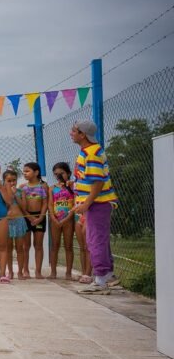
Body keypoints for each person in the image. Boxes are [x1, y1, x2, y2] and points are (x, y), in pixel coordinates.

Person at [71, 120, 119, 293]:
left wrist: (86, 204)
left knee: (95, 240)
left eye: (74, 130)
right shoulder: (88, 151)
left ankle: (100, 279)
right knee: (99, 239)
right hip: (95, 203)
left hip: (98, 203)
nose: (71, 133)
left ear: (82, 134)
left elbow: (98, 182)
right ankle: (107, 274)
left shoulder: (91, 153)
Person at [20, 163, 48, 279]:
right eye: (24, 171)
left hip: (39, 217)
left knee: (38, 245)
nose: (24, 173)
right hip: (26, 217)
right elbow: (21, 205)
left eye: (27, 171)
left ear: (36, 172)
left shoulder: (43, 186)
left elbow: (45, 203)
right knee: (26, 246)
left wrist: (40, 217)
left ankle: (38, 271)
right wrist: (28, 216)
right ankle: (25, 270)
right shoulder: (22, 187)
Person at [48, 162, 75, 280]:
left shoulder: (72, 187)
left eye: (62, 173)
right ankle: (53, 272)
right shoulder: (52, 188)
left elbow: (75, 204)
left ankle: (68, 273)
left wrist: (67, 218)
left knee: (68, 246)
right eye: (56, 174)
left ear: (68, 173)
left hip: (68, 220)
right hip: (55, 220)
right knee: (55, 245)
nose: (59, 176)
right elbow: (50, 205)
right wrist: (53, 218)